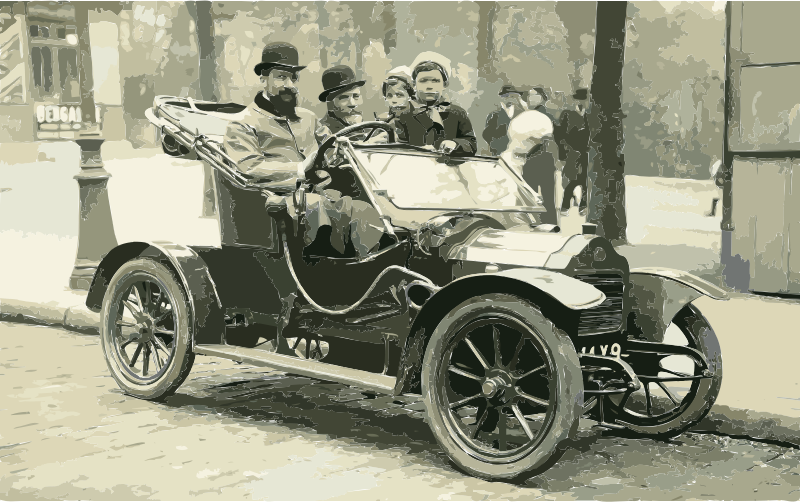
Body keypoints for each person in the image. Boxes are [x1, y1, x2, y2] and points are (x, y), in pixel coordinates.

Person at [222, 42, 385, 258]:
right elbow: (248, 168)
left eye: (294, 78)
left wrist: (366, 148)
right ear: (263, 79)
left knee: (367, 211)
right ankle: (328, 270)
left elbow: (334, 152)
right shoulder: (242, 124)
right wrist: (300, 169)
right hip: (278, 204)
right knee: (317, 208)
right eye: (281, 77)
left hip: (321, 198)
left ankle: (375, 267)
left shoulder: (309, 118)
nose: (289, 84)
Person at [389, 51, 477, 155]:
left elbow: (471, 143)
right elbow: (397, 147)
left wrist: (455, 144)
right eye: (423, 81)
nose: (429, 86)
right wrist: (419, 151)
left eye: (435, 81)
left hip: (448, 168)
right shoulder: (403, 114)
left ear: (445, 85)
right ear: (414, 84)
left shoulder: (457, 113)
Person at [501, 92, 560, 227]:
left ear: (542, 98)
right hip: (528, 158)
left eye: (535, 95)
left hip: (544, 156)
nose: (532, 98)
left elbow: (553, 137)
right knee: (528, 192)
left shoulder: (547, 115)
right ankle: (531, 222)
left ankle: (551, 223)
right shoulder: (523, 113)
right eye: (530, 95)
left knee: (547, 193)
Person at [556, 89, 590, 217]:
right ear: (574, 100)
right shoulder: (567, 114)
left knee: (585, 180)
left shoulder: (590, 115)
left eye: (583, 99)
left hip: (587, 152)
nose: (581, 102)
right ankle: (565, 205)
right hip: (571, 152)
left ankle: (583, 206)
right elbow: (560, 135)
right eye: (578, 99)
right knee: (570, 179)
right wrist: (562, 155)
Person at [318, 65, 367, 136]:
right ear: (330, 105)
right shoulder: (322, 133)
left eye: (356, 96)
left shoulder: (371, 129)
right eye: (344, 98)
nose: (352, 104)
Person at [482, 84, 527, 157]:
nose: (509, 99)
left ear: (516, 98)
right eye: (506, 96)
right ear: (501, 99)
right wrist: (496, 148)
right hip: (500, 154)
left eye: (512, 96)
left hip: (520, 155)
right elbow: (487, 135)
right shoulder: (493, 116)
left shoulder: (522, 115)